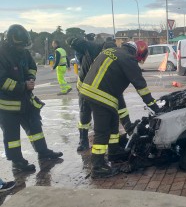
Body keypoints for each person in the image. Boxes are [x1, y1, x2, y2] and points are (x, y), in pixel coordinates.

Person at [79, 40, 159, 178]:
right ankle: (97, 167)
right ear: (139, 52)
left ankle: (114, 151)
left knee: (113, 122)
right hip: (100, 95)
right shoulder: (128, 59)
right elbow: (141, 87)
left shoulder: (111, 51)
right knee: (102, 131)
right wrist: (154, 106)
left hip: (88, 91)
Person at [0, 24, 63, 172]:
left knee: (35, 127)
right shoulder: (1, 54)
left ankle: (43, 152)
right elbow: (1, 80)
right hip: (7, 105)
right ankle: (17, 163)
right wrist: (22, 86)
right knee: (12, 136)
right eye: (20, 46)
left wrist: (30, 78)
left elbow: (32, 66)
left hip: (25, 99)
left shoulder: (23, 52)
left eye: (24, 46)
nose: (22, 49)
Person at [67, 37, 133, 152]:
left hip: (104, 87)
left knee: (120, 107)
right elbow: (79, 44)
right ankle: (83, 140)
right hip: (85, 87)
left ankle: (128, 130)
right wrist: (74, 41)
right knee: (85, 114)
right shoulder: (93, 48)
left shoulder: (116, 56)